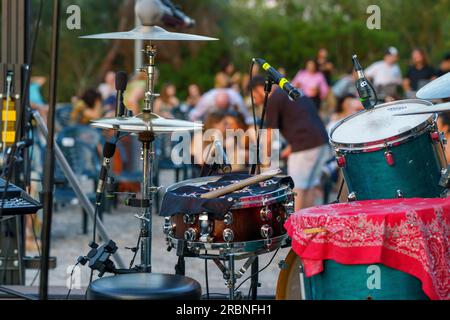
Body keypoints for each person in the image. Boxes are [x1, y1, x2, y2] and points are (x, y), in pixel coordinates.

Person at [249, 75, 329, 210]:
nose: (256, 102)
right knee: (309, 187)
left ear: (259, 89)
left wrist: (264, 159)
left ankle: (298, 226)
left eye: (255, 97)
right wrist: (290, 148)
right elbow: (302, 119)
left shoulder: (274, 99)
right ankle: (308, 226)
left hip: (305, 147)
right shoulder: (291, 91)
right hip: (321, 142)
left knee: (297, 190)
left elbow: (270, 134)